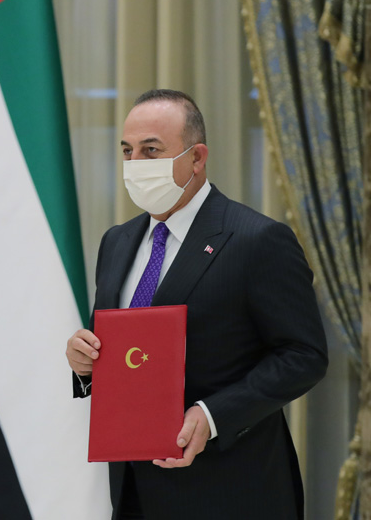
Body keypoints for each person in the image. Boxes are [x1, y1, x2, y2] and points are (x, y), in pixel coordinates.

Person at [65, 89, 328, 520]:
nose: (135, 164)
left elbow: (304, 355)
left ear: (197, 158)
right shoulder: (117, 241)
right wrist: (85, 364)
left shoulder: (257, 240)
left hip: (230, 489)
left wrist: (213, 415)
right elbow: (128, 350)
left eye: (151, 150)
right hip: (134, 489)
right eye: (128, 151)